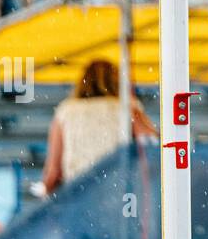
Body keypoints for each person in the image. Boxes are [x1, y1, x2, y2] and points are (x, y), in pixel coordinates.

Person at [40, 60, 156, 195]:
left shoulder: (66, 111)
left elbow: (54, 172)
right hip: (117, 192)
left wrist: (48, 196)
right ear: (116, 81)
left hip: (79, 194)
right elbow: (151, 142)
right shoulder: (127, 107)